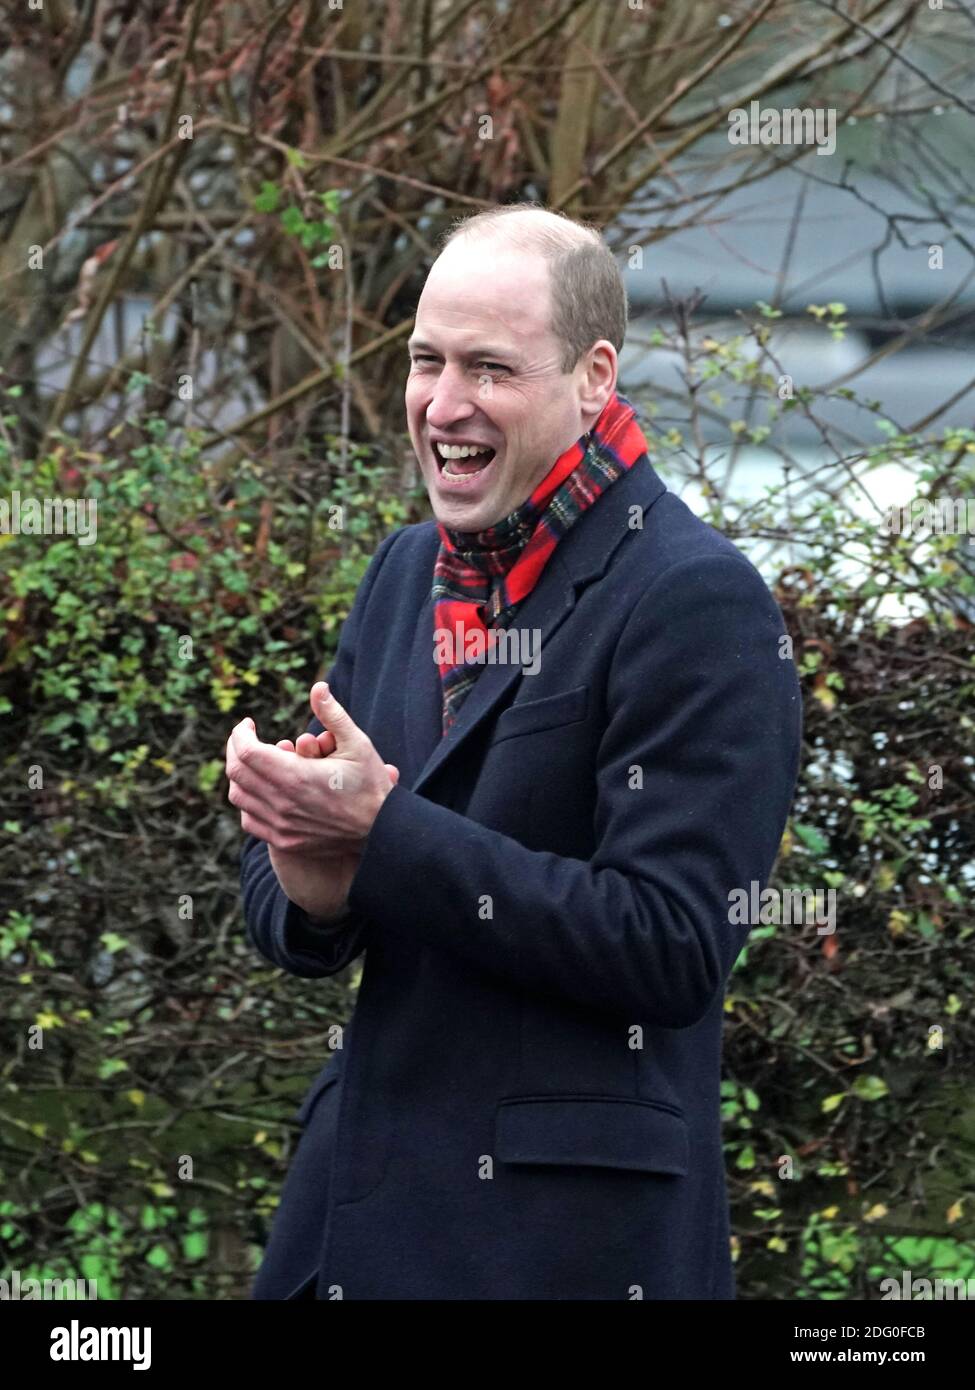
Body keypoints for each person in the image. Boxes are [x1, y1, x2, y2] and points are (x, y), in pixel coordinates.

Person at [225, 204, 802, 1300]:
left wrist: (382, 835)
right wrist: (310, 884)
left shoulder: (695, 598)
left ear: (594, 377)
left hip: (560, 1251)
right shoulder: (406, 569)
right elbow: (323, 875)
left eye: (489, 368)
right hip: (348, 1233)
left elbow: (674, 945)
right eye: (425, 361)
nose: (443, 405)